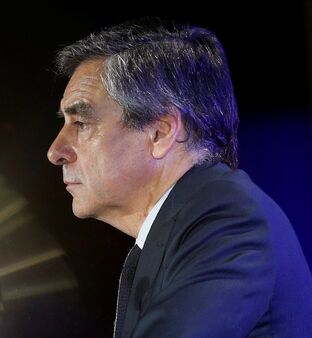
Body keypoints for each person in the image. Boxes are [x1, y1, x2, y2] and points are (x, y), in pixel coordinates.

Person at [47, 17, 312, 337]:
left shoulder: (228, 219)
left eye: (81, 123)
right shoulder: (173, 234)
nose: (56, 151)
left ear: (160, 132)